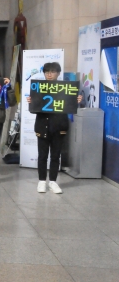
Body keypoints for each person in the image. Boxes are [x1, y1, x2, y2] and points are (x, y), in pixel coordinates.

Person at [26, 62, 82, 193]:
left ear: (58, 73)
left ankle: (53, 181)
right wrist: (31, 102)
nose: (49, 74)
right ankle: (41, 181)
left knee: (56, 155)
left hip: (59, 126)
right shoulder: (38, 87)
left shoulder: (65, 88)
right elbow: (34, 111)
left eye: (52, 72)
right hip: (42, 126)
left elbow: (71, 108)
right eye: (46, 72)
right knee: (42, 155)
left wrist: (76, 101)